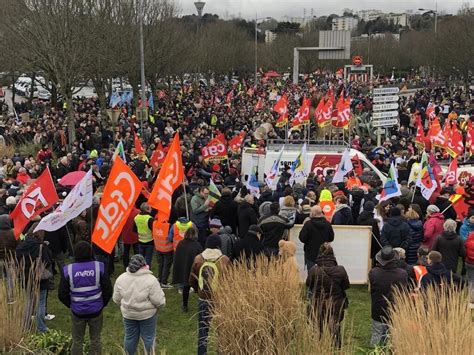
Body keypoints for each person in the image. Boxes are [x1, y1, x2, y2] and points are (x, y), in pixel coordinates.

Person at [58, 241, 112, 355]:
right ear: (90, 252)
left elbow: (62, 294)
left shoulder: (68, 270)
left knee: (77, 341)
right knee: (95, 340)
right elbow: (108, 289)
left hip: (77, 311)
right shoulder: (99, 267)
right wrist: (102, 303)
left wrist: (72, 305)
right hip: (96, 310)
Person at [113, 254, 166, 355]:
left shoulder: (121, 279)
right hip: (148, 316)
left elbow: (116, 299)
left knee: (130, 337)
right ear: (143, 265)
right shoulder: (151, 279)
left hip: (128, 315)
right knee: (149, 338)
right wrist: (159, 308)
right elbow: (159, 301)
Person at [189, 234, 230, 355]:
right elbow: (231, 280)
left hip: (203, 299)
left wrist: (198, 291)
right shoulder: (225, 260)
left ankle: (202, 353)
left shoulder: (198, 259)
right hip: (220, 300)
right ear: (219, 245)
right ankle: (221, 352)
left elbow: (192, 279)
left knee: (203, 330)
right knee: (221, 330)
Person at [306, 243, 349, 347]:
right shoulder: (341, 270)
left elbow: (309, 285)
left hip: (318, 302)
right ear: (333, 255)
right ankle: (336, 346)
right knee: (334, 325)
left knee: (318, 326)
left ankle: (317, 347)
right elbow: (346, 286)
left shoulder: (313, 270)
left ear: (319, 254)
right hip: (336, 303)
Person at [16, 224, 53, 333]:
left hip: (26, 278)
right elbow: (47, 262)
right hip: (40, 278)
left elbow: (17, 261)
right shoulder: (40, 247)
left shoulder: (21, 246)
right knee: (41, 302)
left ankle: (26, 325)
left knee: (28, 301)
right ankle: (41, 326)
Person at [369, 246, 408, 346]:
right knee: (391, 337)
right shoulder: (402, 274)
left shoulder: (374, 273)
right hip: (395, 309)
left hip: (378, 308)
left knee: (376, 335)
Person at [172, 227, 203, 312]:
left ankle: (185, 305)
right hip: (193, 270)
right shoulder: (197, 245)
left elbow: (177, 257)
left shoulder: (181, 243)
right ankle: (201, 305)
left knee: (186, 286)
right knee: (199, 287)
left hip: (184, 268)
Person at [299, 206, 335, 270]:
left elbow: (302, 238)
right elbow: (331, 238)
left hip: (310, 253)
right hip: (324, 252)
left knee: (311, 274)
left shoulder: (308, 224)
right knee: (324, 274)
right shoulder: (327, 224)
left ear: (312, 213)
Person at [133, 202, 154, 267]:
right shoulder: (150, 218)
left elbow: (134, 230)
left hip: (140, 241)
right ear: (147, 209)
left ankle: (140, 270)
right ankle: (147, 273)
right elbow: (153, 230)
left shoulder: (136, 217)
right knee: (148, 259)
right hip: (149, 241)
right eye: (150, 208)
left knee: (141, 259)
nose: (151, 209)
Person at [465, 231, 474, 304]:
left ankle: (470, 297)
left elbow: (465, 246)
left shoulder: (470, 237)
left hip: (469, 262)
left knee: (470, 279)